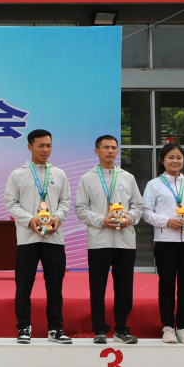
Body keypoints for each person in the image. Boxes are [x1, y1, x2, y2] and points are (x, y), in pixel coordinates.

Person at [75, 135, 144, 345]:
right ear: (97, 151)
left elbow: (138, 206)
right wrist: (101, 220)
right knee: (98, 288)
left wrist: (129, 218)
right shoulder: (87, 178)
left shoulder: (127, 177)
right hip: (99, 241)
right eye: (106, 147)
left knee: (124, 287)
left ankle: (122, 329)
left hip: (125, 241)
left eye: (114, 147)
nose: (111, 151)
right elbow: (80, 208)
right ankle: (99, 330)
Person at [4, 128, 71, 344]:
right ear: (29, 147)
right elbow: (10, 203)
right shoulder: (18, 174)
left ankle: (56, 328)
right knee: (24, 285)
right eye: (40, 145)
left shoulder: (59, 174)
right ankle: (24, 327)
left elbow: (65, 201)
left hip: (54, 238)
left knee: (55, 286)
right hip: (27, 238)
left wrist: (57, 218)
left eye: (49, 145)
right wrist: (29, 219)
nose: (45, 149)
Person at [140, 143, 184, 345]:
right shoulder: (154, 185)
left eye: (179, 157)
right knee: (166, 284)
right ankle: (168, 326)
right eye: (170, 157)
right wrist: (166, 221)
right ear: (162, 160)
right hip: (165, 241)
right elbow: (146, 212)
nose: (175, 161)